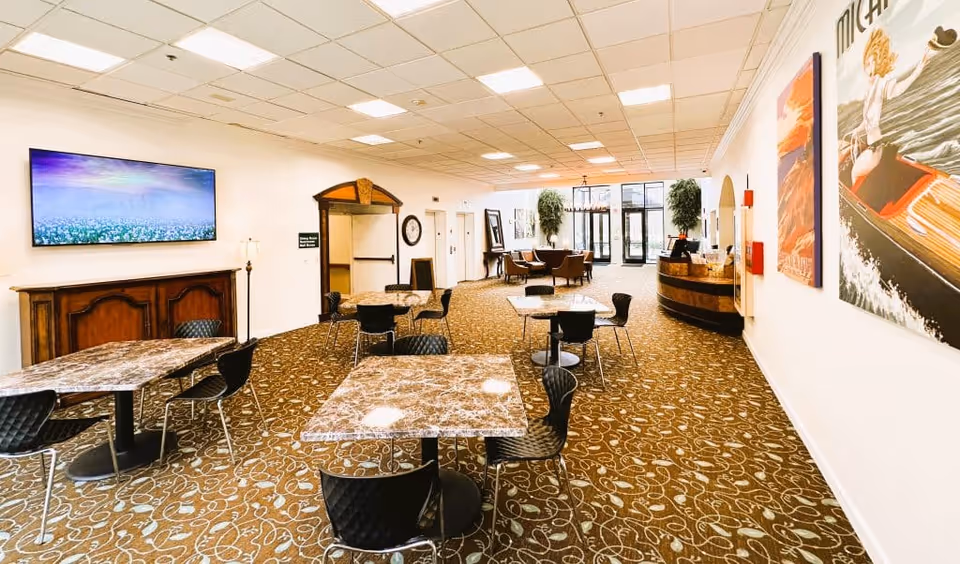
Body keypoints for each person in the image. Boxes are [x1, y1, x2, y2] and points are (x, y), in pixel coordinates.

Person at [845, 27, 934, 182]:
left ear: (878, 62)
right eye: (868, 62)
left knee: (854, 173)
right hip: (873, 146)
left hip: (875, 149)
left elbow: (898, 89)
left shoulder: (880, 84)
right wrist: (856, 130)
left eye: (873, 61)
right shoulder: (871, 89)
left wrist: (919, 69)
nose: (870, 66)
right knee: (855, 170)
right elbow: (868, 120)